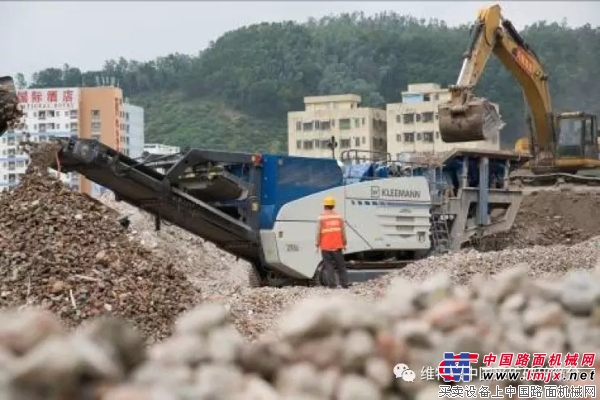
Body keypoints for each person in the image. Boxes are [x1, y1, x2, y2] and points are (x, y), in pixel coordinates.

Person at [315, 196, 349, 289]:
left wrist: (317, 244)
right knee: (341, 266)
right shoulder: (338, 217)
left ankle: (332, 285)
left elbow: (318, 232)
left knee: (329, 266)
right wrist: (344, 243)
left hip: (325, 246)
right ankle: (344, 284)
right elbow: (343, 231)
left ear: (325, 206)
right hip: (337, 245)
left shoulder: (321, 217)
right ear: (333, 205)